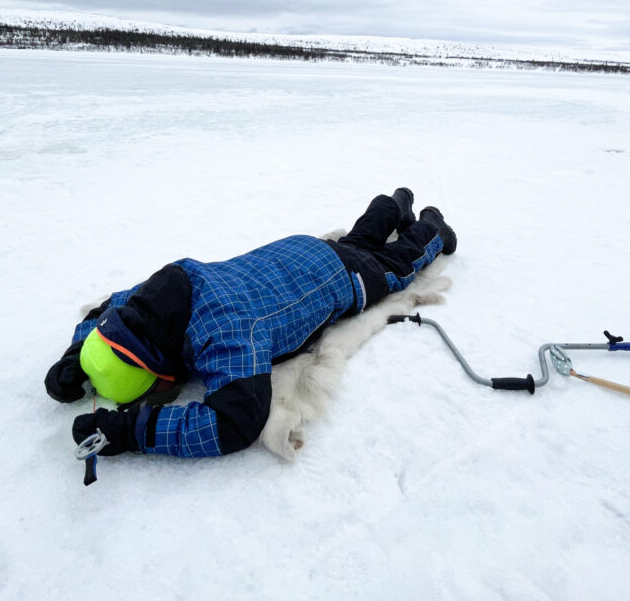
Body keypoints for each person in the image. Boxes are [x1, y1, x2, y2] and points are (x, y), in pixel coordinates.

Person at [45, 188, 456, 459]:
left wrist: (129, 430)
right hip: (297, 250)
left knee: (396, 265)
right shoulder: (164, 287)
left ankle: (433, 225)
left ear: (161, 375)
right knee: (354, 241)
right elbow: (105, 312)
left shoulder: (223, 332)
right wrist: (74, 357)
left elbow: (235, 421)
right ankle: (393, 204)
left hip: (342, 280)